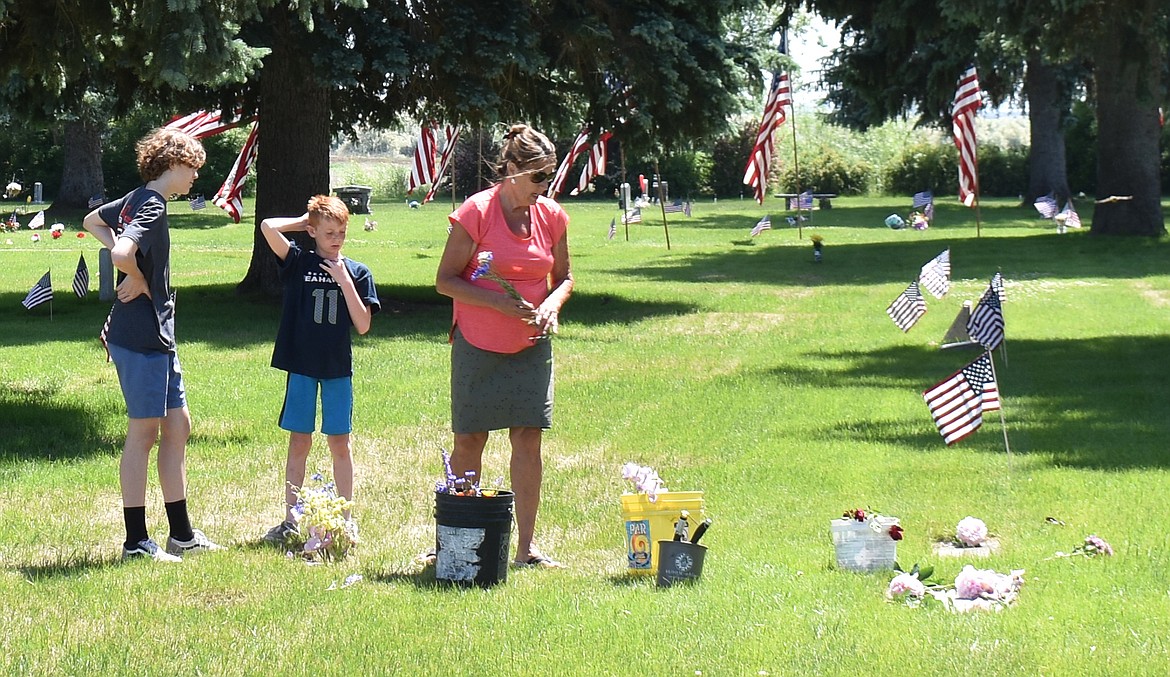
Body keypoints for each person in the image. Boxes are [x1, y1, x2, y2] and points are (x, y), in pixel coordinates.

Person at [435, 123, 574, 568]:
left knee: (528, 439)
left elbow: (565, 276)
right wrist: (499, 302)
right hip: (478, 343)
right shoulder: (477, 212)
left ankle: (526, 548)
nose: (543, 186)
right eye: (537, 176)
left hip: (531, 346)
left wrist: (552, 303)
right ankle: (459, 538)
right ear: (511, 170)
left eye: (548, 176)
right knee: (470, 439)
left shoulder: (551, 216)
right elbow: (445, 281)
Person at [82, 128, 221, 562]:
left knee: (177, 426)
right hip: (140, 335)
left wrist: (135, 270)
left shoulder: (135, 197)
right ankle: (136, 541)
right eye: (192, 167)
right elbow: (122, 253)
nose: (196, 176)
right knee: (143, 434)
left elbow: (91, 222)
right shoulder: (153, 205)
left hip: (158, 334)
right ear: (172, 165)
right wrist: (136, 276)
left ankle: (181, 533)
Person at [258, 195, 380, 546]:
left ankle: (346, 520)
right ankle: (291, 520)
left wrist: (344, 280)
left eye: (341, 231)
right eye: (328, 232)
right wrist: (303, 222)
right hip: (302, 365)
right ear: (313, 232)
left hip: (337, 369)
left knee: (340, 442)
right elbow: (268, 227)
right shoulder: (299, 261)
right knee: (300, 441)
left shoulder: (357, 272)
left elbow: (363, 325)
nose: (336, 238)